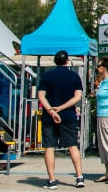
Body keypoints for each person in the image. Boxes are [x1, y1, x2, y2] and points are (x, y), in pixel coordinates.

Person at [37, 51, 85, 189]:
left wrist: (51, 110)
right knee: (72, 146)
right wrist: (61, 108)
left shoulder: (47, 76)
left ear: (55, 61)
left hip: (49, 116)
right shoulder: (74, 77)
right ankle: (79, 177)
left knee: (49, 147)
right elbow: (77, 97)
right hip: (68, 115)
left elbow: (41, 96)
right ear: (67, 61)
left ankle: (52, 180)